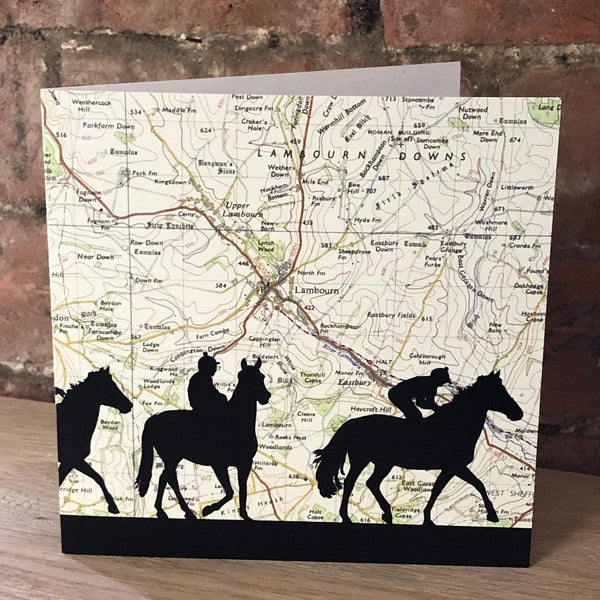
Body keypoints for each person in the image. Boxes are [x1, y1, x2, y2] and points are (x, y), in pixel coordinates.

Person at [388, 367, 452, 421]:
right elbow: (420, 403)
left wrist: (437, 408)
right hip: (396, 394)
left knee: (415, 416)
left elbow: (431, 403)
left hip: (401, 395)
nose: (442, 385)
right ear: (438, 380)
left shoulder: (432, 387)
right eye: (442, 382)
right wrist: (438, 409)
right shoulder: (427, 384)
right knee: (415, 416)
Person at [188, 352, 228, 422]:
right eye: (213, 367)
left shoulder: (200, 377)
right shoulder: (202, 378)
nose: (215, 369)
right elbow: (212, 394)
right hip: (204, 410)